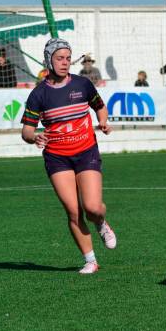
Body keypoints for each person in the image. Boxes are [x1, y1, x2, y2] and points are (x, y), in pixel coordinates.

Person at [20, 38, 117, 274]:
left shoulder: (83, 84)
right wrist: (35, 138)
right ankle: (91, 260)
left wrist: (103, 121)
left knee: (92, 208)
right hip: (57, 157)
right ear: (48, 61)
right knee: (73, 211)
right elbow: (27, 131)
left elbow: (99, 106)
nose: (65, 63)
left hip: (85, 152)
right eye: (59, 58)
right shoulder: (39, 94)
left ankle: (101, 223)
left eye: (67, 58)